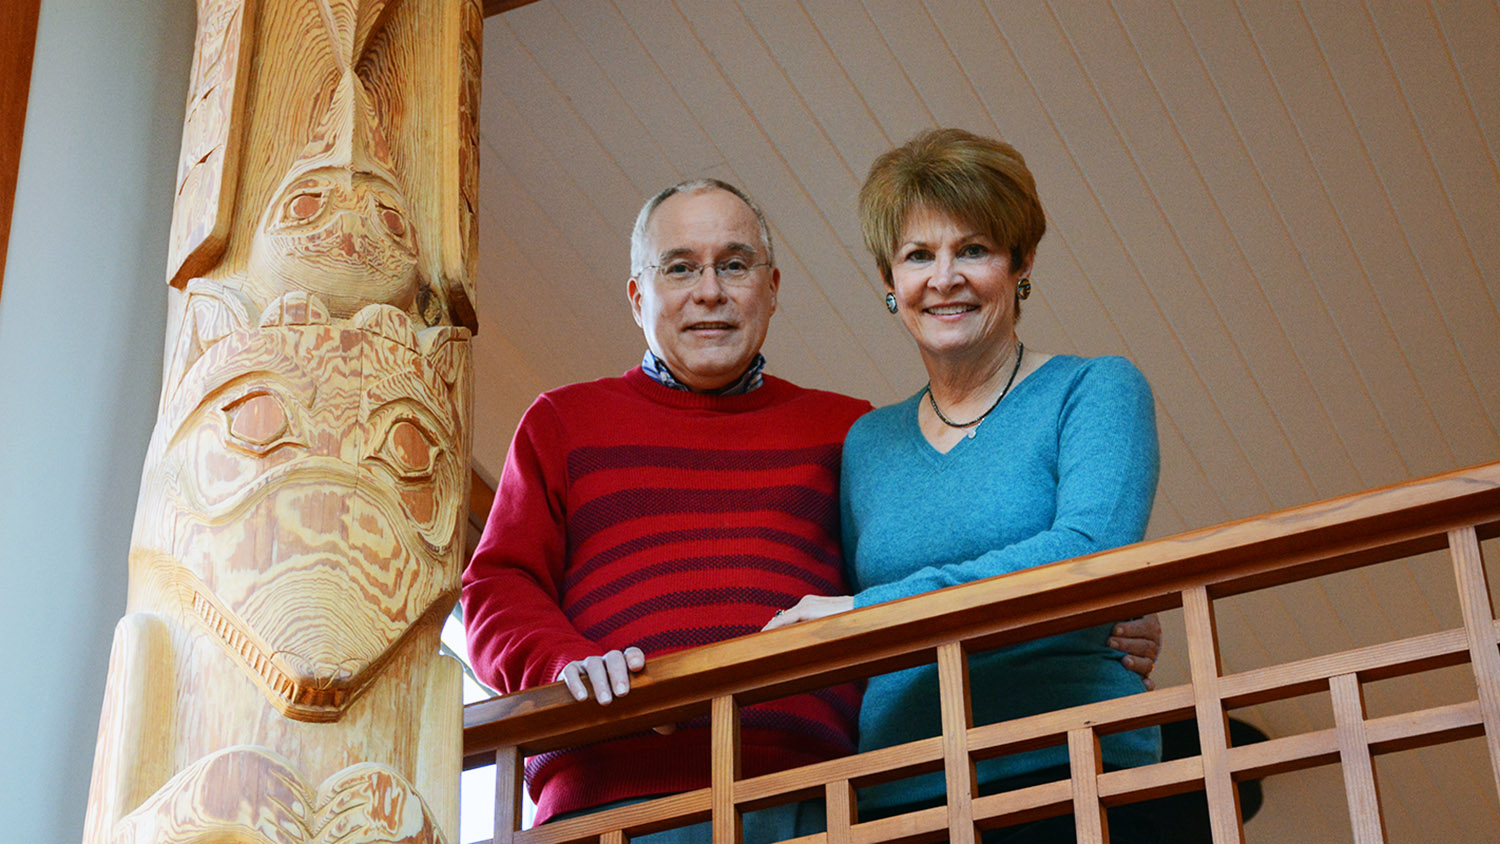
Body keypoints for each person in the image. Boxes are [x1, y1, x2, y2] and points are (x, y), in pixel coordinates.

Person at [463, 177, 1161, 843]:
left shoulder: (849, 433)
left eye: (735, 266)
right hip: (608, 792)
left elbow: (905, 572)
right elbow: (496, 586)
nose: (710, 292)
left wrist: (1101, 612)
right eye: (680, 269)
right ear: (637, 294)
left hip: (816, 799)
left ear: (771, 290)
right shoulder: (563, 421)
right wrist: (562, 663)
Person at [765, 129, 1164, 842]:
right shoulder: (869, 442)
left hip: (1070, 769)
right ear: (890, 283)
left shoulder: (1095, 389)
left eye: (972, 250)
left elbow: (1089, 553)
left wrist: (866, 610)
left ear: (1021, 263)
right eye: (918, 256)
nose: (943, 278)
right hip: (898, 794)